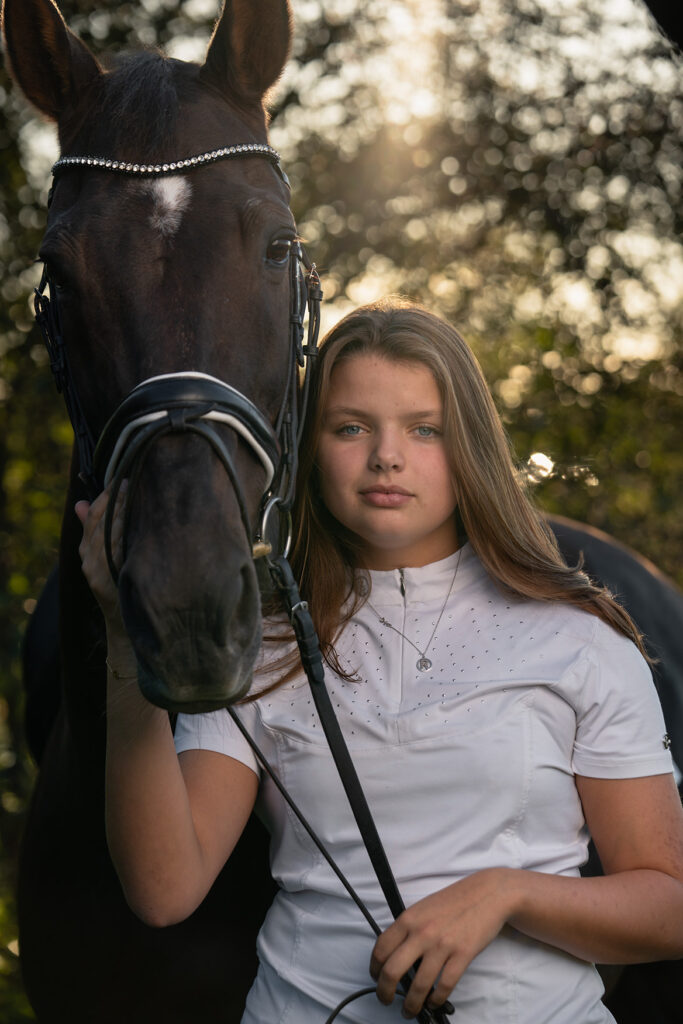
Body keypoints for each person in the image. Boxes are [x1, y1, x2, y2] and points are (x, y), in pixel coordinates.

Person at [76, 298, 683, 1024]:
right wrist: (123, 634)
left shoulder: (578, 639)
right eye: (350, 427)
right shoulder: (261, 645)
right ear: (308, 450)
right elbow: (163, 889)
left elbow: (668, 906)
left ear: (470, 447)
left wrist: (507, 893)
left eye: (424, 429)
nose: (386, 457)